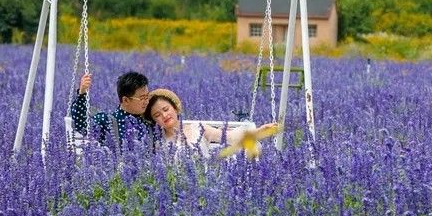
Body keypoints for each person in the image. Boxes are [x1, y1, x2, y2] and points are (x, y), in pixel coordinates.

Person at [145, 88, 281, 160]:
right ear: (154, 120)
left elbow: (231, 136)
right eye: (157, 115)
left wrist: (260, 131)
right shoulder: (157, 142)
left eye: (166, 109)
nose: (164, 116)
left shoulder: (198, 128)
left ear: (175, 108)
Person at [69, 71, 152, 150]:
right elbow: (81, 125)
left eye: (147, 97)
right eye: (142, 98)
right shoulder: (107, 121)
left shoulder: (148, 121)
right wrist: (82, 92)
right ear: (126, 100)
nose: (146, 101)